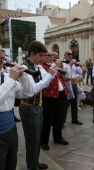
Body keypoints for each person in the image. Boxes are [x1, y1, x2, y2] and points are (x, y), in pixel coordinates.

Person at [19, 41, 57, 170]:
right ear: (32, 54)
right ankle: (32, 166)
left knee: (37, 139)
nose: (42, 59)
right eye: (40, 56)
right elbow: (33, 90)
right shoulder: (24, 68)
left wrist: (50, 75)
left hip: (37, 106)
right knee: (32, 141)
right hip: (29, 108)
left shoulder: (35, 67)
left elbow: (44, 84)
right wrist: (49, 76)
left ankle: (35, 163)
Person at [0, 44, 34, 170]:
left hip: (11, 131)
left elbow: (28, 93)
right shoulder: (9, 79)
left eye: (2, 51)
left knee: (11, 164)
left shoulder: (5, 76)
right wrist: (12, 79)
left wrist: (24, 76)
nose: (2, 55)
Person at [41, 51, 69, 150]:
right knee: (47, 120)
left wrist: (60, 66)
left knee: (58, 118)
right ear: (42, 56)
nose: (51, 57)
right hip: (48, 96)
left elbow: (65, 77)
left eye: (51, 55)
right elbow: (46, 81)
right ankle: (44, 141)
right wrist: (55, 68)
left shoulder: (51, 65)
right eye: (48, 55)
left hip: (59, 94)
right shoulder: (42, 67)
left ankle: (58, 138)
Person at [62, 49, 83, 125]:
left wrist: (76, 65)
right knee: (65, 104)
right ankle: (62, 122)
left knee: (74, 103)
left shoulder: (74, 64)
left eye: (71, 54)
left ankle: (74, 119)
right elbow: (64, 73)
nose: (70, 55)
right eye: (68, 54)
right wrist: (70, 65)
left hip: (73, 83)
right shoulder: (62, 64)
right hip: (66, 84)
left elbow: (80, 72)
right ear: (64, 55)